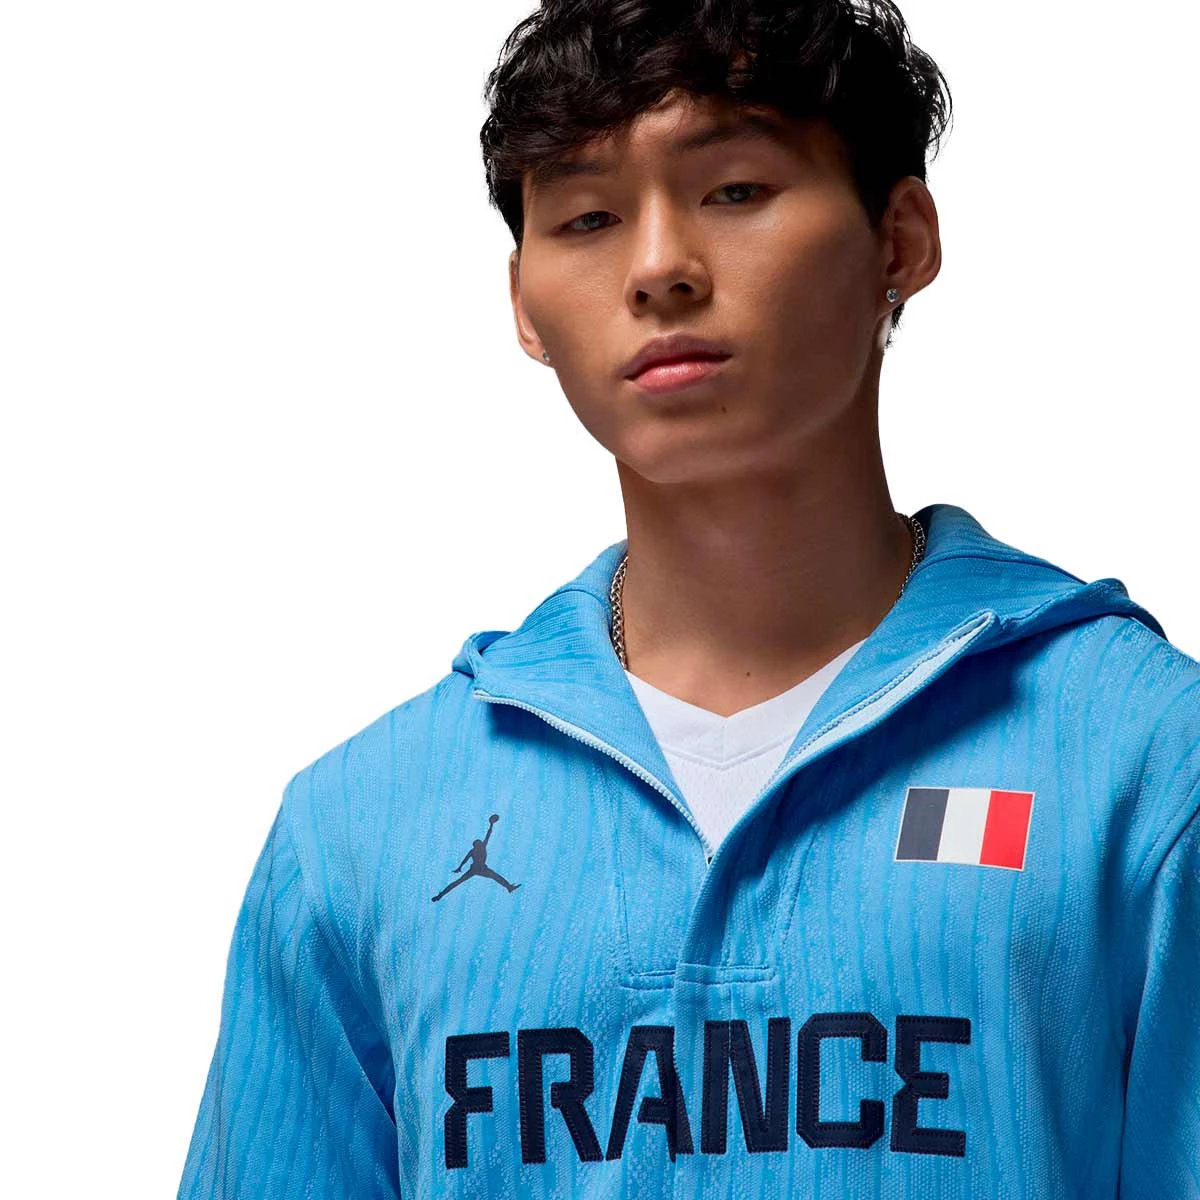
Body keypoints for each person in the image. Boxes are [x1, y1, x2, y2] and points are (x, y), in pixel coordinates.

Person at [177, 1, 1200, 1196]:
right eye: (588, 218)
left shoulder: (1141, 758)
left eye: (735, 190)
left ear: (900, 239)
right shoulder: (362, 825)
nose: (659, 267)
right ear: (524, 304)